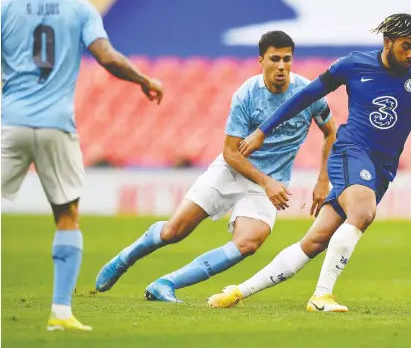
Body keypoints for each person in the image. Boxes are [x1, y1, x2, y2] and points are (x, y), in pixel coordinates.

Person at [207, 13, 411, 312]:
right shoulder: (353, 65)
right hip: (350, 152)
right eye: (405, 46)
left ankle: (238, 291)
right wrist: (263, 130)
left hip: (382, 169)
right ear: (387, 42)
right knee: (363, 211)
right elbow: (306, 96)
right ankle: (321, 296)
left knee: (315, 241)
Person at [95, 31, 337, 304]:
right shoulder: (246, 95)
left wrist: (322, 181)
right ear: (261, 60)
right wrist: (267, 182)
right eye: (275, 59)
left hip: (267, 184)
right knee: (174, 231)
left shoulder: (309, 94)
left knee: (249, 242)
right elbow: (231, 153)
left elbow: (331, 133)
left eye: (287, 59)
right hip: (231, 172)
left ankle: (165, 284)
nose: (281, 66)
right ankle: (125, 258)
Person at [1, 0, 163, 331]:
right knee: (67, 215)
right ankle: (60, 312)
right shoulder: (79, 8)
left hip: (9, 123)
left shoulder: (4, 8)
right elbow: (107, 57)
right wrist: (143, 79)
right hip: (56, 124)